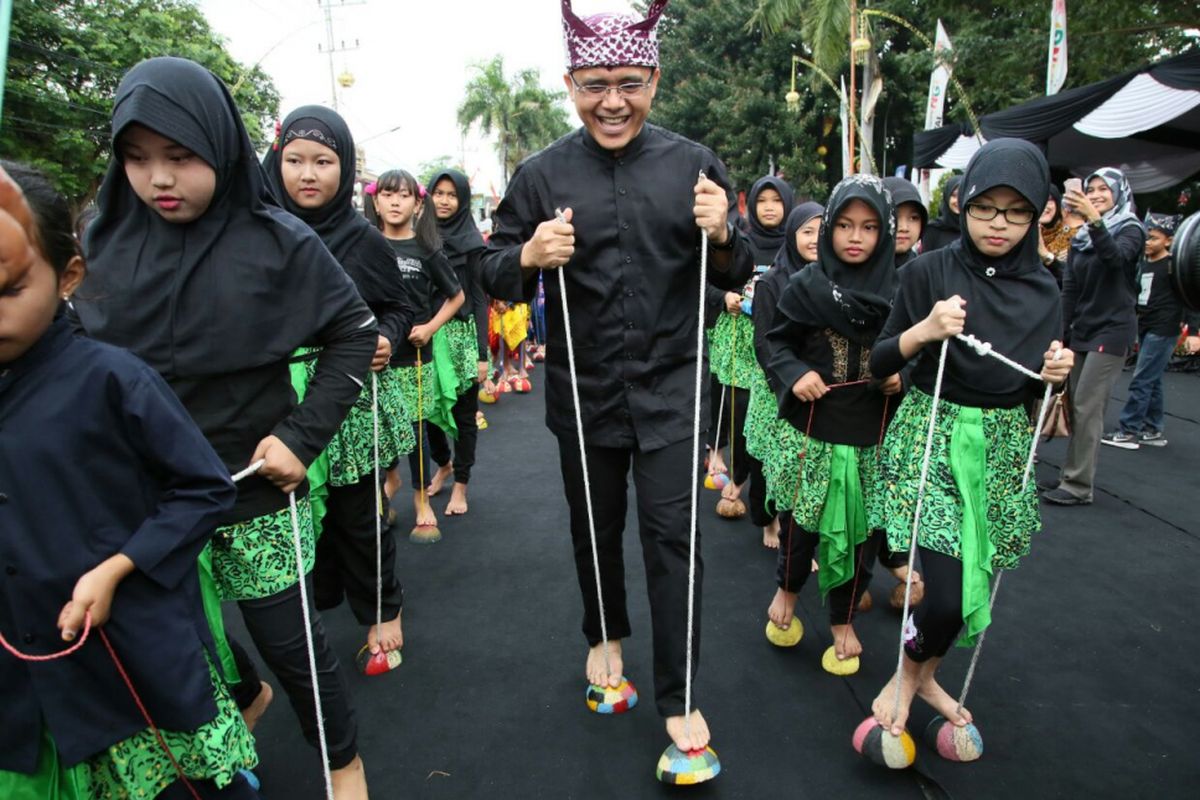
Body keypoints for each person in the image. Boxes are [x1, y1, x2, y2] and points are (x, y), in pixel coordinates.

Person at [74, 57, 374, 797]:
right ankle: (240, 703)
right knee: (169, 642)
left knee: (295, 649)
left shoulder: (280, 242)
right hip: (143, 498)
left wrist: (301, 439)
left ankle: (344, 765)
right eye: (138, 159)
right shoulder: (99, 240)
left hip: (251, 490)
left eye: (180, 156)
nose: (159, 179)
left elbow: (354, 334)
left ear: (222, 148)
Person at [480, 0, 754, 754]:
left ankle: (681, 691)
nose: (612, 101)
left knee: (674, 540)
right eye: (595, 83)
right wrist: (529, 255)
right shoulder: (540, 175)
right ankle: (603, 634)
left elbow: (738, 267)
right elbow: (492, 267)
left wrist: (725, 232)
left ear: (654, 82)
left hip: (674, 386)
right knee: (594, 531)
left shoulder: (695, 164)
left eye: (628, 82)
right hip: (586, 389)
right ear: (571, 84)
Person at [0, 162, 259, 799]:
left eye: (7, 290)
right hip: (22, 680)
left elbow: (204, 489)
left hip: (127, 658)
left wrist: (117, 568)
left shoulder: (112, 379)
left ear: (68, 275)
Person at [866, 139, 1073, 737]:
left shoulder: (1045, 292)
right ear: (962, 204)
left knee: (973, 580)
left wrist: (1055, 377)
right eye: (986, 207)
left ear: (1039, 214)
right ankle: (909, 677)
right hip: (932, 434)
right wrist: (925, 330)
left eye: (1016, 211)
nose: (999, 224)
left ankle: (925, 673)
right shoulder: (928, 269)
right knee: (949, 593)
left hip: (1001, 448)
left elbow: (1034, 391)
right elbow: (880, 361)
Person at [263, 106, 416, 671]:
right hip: (275, 398)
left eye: (323, 161)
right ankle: (326, 595)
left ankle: (383, 606)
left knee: (357, 517)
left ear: (345, 169)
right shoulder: (255, 230)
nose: (308, 173)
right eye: (295, 159)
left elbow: (399, 307)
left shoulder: (363, 241)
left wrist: (385, 337)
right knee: (299, 517)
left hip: (347, 392)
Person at [763, 176, 904, 667]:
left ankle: (843, 620)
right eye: (843, 224)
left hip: (873, 435)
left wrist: (901, 377)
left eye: (868, 226)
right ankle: (787, 590)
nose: (855, 236)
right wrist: (795, 372)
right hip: (814, 429)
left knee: (862, 537)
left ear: (885, 233)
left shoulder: (901, 289)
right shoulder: (807, 285)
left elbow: (922, 355)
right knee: (801, 527)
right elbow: (775, 343)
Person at [1042, 168, 1145, 506]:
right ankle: (1070, 476)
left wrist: (1094, 220)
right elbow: (1069, 289)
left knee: (1088, 405)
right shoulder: (1083, 236)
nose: (1097, 194)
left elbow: (1115, 260)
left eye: (1104, 189)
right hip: (1083, 330)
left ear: (1120, 193)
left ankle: (1077, 485)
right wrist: (1060, 336)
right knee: (1074, 403)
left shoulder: (1131, 229)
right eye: (1091, 189)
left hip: (1113, 331)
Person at [373, 169, 465, 540]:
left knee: (415, 431)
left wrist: (429, 328)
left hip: (415, 359)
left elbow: (456, 296)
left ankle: (420, 499)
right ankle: (389, 479)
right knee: (379, 431)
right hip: (373, 360)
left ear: (417, 203)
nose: (395, 202)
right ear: (375, 201)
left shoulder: (426, 249)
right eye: (388, 194)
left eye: (403, 195)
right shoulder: (364, 244)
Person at [706, 175, 794, 522]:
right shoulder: (737, 241)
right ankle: (725, 461)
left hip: (776, 338)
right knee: (734, 405)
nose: (770, 207)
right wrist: (724, 297)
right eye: (762, 201)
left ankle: (757, 485)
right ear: (751, 206)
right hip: (737, 335)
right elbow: (706, 281)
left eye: (776, 200)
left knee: (766, 414)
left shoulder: (797, 242)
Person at [745, 201, 822, 549]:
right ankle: (766, 519)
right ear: (792, 235)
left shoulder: (833, 280)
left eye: (823, 231)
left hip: (818, 389)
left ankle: (798, 539)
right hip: (776, 388)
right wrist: (789, 381)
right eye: (808, 232)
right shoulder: (771, 282)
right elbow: (764, 343)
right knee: (768, 463)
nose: (815, 240)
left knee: (806, 469)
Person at [1102, 213, 1200, 449]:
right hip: (1145, 325)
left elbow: (1192, 297)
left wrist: (1195, 333)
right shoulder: (1144, 264)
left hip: (1164, 329)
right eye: (1145, 237)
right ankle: (1153, 428)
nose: (1147, 242)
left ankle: (1128, 430)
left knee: (1142, 379)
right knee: (1152, 380)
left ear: (1168, 241)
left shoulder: (1174, 266)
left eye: (1154, 238)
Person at [425, 169, 489, 515]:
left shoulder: (473, 241)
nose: (445, 200)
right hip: (423, 338)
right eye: (439, 193)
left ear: (462, 200)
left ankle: (460, 486)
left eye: (452, 194)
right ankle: (443, 464)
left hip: (461, 339)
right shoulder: (418, 235)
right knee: (426, 416)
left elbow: (479, 299)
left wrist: (482, 356)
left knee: (464, 418)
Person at [882, 176, 927, 269]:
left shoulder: (927, 274)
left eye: (913, 218)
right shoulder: (854, 274)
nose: (904, 228)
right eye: (894, 216)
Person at [919, 175, 962, 253]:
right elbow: (925, 262)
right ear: (947, 197)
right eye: (954, 195)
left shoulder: (972, 230)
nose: (958, 201)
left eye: (961, 196)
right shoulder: (932, 229)